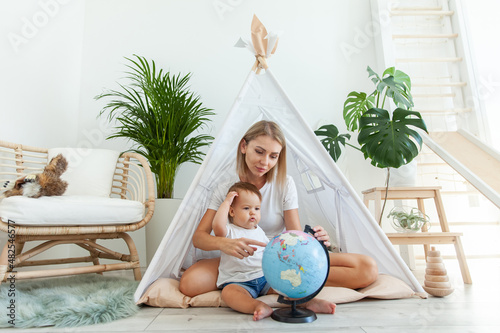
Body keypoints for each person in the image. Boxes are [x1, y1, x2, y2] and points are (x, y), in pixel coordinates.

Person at [179, 120, 378, 298]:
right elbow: (199, 238)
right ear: (243, 146)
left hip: (281, 257)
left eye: (273, 156)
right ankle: (272, 283)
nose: (265, 162)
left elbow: (295, 234)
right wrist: (225, 244)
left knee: (367, 268)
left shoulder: (285, 184)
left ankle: (272, 281)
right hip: (239, 262)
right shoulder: (225, 188)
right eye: (259, 151)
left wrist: (314, 242)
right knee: (189, 283)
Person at [213, 181, 336, 320]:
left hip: (264, 278)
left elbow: (272, 251)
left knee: (287, 286)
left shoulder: (259, 231)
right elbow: (217, 225)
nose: (253, 212)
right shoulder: (229, 230)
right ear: (232, 211)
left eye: (257, 208)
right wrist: (226, 202)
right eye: (246, 208)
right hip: (238, 281)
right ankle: (257, 306)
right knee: (229, 293)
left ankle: (308, 302)